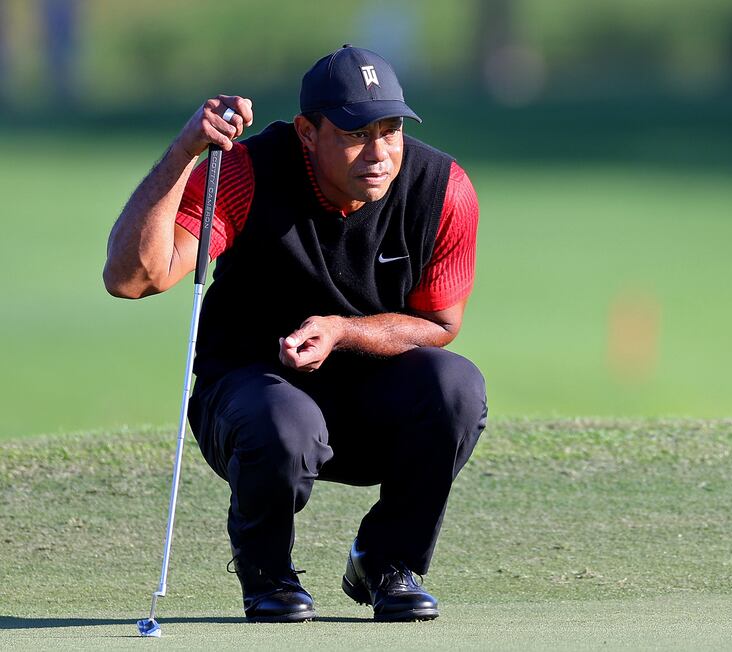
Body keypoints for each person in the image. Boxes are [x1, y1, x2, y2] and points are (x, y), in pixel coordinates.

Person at [103, 45, 487, 624]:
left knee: (456, 386)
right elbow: (133, 278)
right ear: (308, 132)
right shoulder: (247, 173)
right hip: (248, 400)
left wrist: (343, 331)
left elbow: (439, 324)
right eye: (357, 133)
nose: (380, 153)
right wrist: (185, 152)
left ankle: (386, 562)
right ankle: (267, 574)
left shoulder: (443, 189)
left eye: (391, 131)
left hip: (366, 408)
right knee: (287, 422)